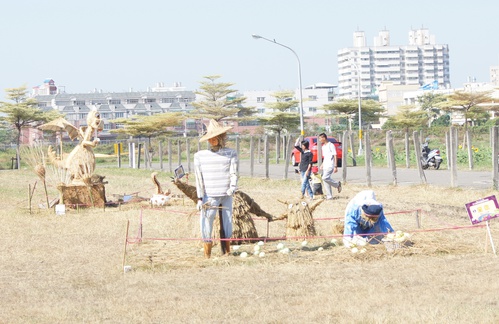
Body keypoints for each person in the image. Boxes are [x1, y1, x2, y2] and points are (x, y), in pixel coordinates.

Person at [194, 119, 238, 258]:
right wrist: (200, 198)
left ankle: (227, 252)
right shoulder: (200, 156)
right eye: (210, 138)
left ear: (222, 137)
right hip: (209, 195)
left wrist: (233, 187)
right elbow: (199, 178)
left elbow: (234, 173)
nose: (213, 140)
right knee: (206, 221)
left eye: (216, 137)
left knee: (227, 221)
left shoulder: (231, 153)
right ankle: (207, 253)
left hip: (226, 194)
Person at [318, 133, 341, 200]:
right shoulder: (323, 147)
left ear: (324, 138)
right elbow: (325, 157)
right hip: (325, 165)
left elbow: (335, 155)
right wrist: (322, 164)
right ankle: (329, 196)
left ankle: (337, 184)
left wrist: (335, 166)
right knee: (326, 181)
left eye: (320, 138)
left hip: (330, 165)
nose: (319, 140)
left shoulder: (331, 145)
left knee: (324, 178)